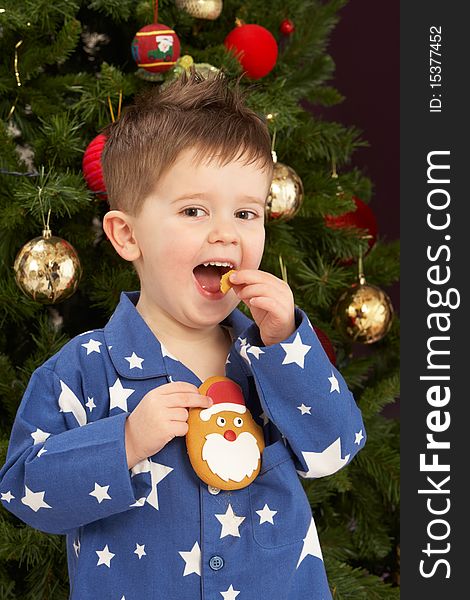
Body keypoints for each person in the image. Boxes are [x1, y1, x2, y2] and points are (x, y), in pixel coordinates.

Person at [0, 71, 366, 599]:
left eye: (246, 212)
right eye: (194, 211)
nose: (226, 232)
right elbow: (24, 491)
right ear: (127, 235)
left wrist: (287, 342)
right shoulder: (81, 371)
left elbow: (336, 450)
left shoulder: (271, 354)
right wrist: (123, 442)